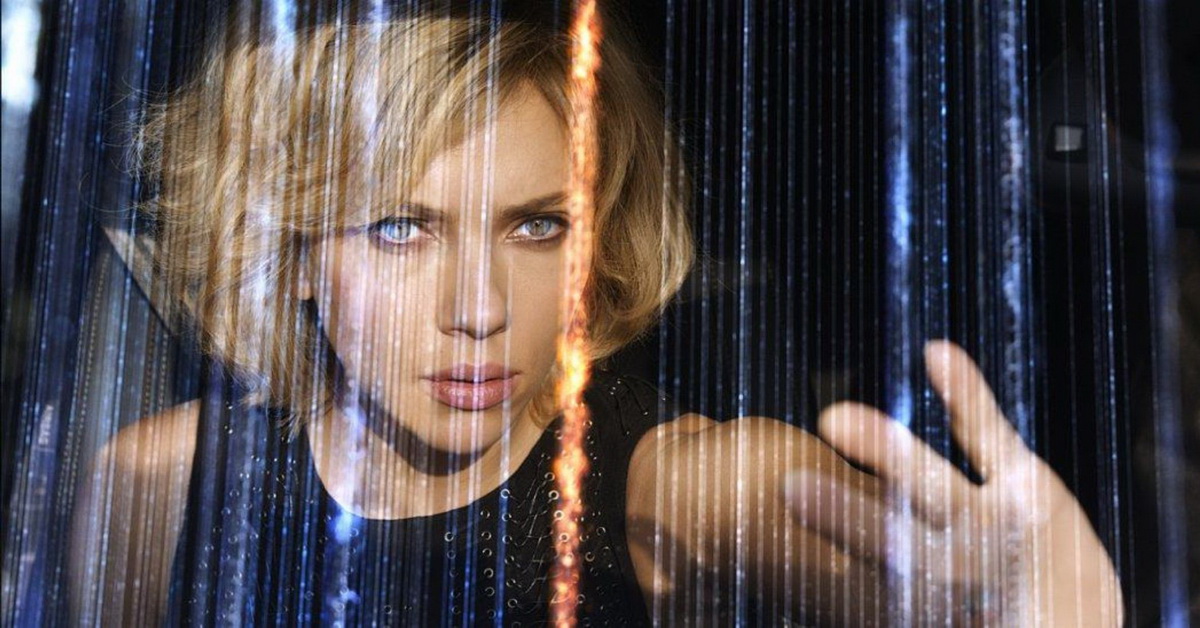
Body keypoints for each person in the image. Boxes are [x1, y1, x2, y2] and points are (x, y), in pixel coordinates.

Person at [71, 14, 1123, 625]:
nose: (480, 310)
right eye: (400, 228)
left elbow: (772, 499)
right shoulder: (160, 481)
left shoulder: (660, 484)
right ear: (293, 252)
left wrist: (1010, 600)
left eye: (538, 227)